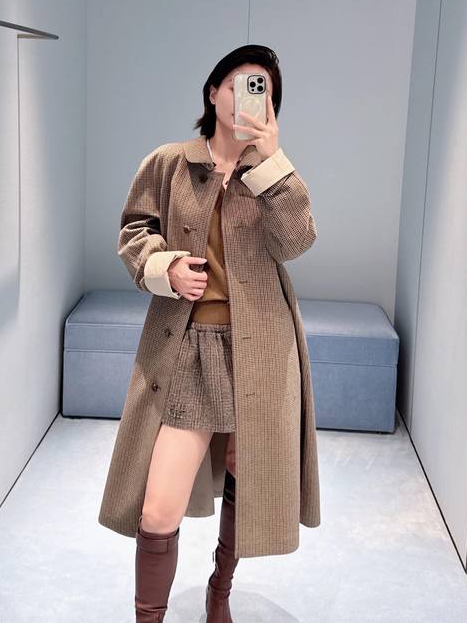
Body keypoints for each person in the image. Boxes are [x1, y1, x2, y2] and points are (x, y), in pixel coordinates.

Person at [108, 44, 320, 622]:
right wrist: (167, 267)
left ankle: (219, 592)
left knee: (242, 480)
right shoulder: (170, 163)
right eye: (238, 84)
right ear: (213, 92)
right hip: (189, 351)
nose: (248, 97)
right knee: (157, 510)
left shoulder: (273, 174)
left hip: (260, 353)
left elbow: (296, 242)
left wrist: (273, 165)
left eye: (261, 89)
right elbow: (134, 231)